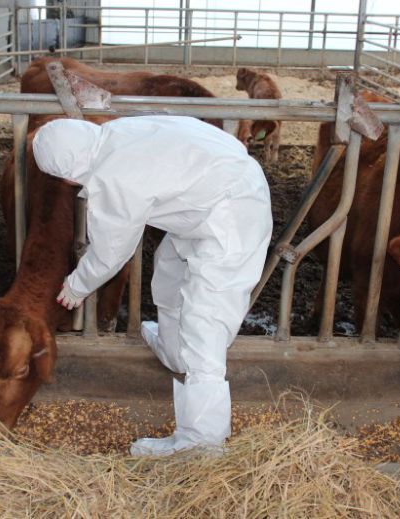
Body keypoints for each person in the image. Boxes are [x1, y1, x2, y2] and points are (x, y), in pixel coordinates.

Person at [33, 115, 273, 456]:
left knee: (206, 321)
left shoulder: (113, 178)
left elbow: (111, 252)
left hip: (233, 214)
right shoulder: (116, 133)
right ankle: (176, 351)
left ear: (68, 176)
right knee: (170, 269)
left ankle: (202, 442)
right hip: (213, 196)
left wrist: (76, 286)